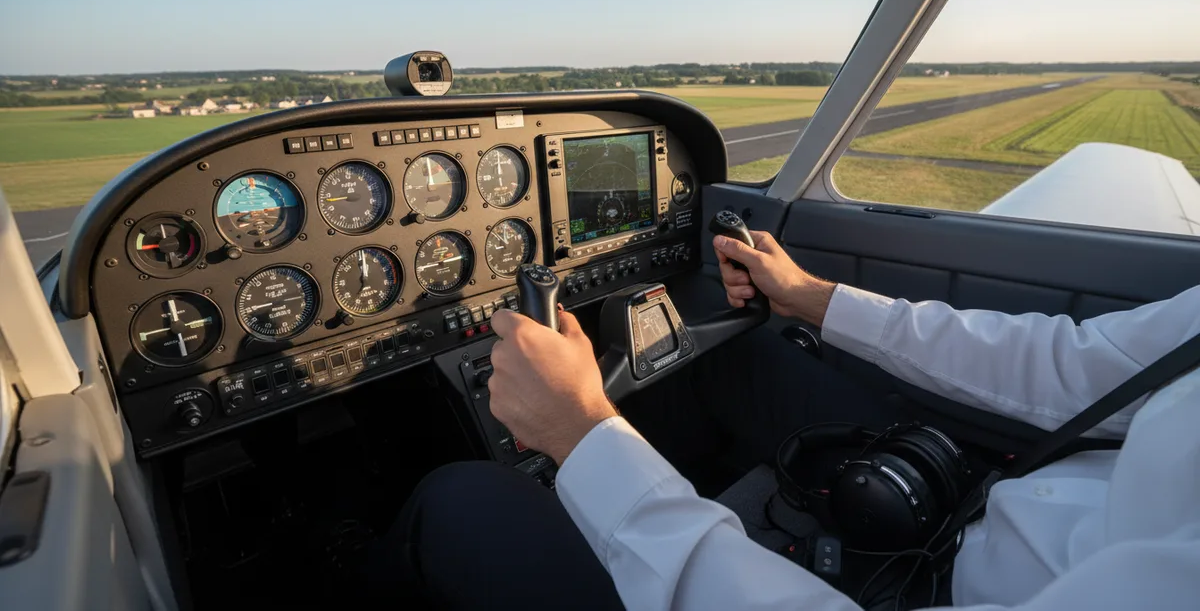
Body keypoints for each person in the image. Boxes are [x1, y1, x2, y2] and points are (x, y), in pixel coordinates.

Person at [389, 231, 1200, 610]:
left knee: (462, 499)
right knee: (736, 358)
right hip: (986, 502)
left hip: (944, 590)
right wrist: (816, 299)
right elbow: (1081, 365)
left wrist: (583, 438)